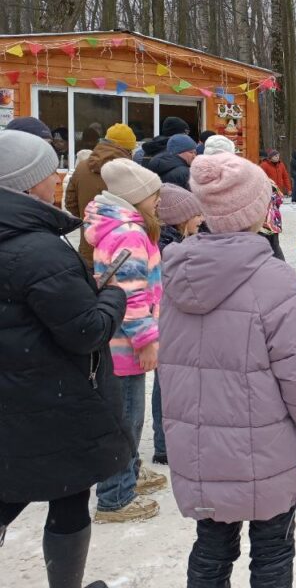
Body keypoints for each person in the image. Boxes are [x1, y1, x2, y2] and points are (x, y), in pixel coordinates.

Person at [159, 152, 296, 588]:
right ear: (258, 211)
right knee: (273, 550)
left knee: (211, 547)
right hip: (268, 450)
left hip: (202, 450)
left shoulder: (176, 276)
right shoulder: (274, 281)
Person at [0, 131, 131, 588]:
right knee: (69, 492)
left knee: (9, 486)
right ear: (27, 184)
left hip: (14, 391)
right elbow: (85, 331)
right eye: (48, 172)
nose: (57, 178)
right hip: (51, 395)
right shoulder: (38, 249)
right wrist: (113, 296)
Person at [83, 158, 167, 523]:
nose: (159, 200)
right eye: (154, 194)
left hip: (122, 341)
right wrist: (146, 340)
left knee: (128, 416)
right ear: (136, 196)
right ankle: (115, 496)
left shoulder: (125, 228)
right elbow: (129, 294)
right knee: (126, 419)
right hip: (126, 345)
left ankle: (128, 472)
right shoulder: (128, 235)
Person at [152, 184, 204, 467]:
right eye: (196, 214)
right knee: (168, 385)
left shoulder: (176, 242)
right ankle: (165, 445)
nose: (201, 219)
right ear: (181, 217)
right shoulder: (169, 248)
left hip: (170, 324)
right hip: (168, 325)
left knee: (169, 383)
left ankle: (167, 444)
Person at [65, 123, 138, 269]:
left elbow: (70, 203)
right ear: (128, 149)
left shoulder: (82, 167)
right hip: (120, 251)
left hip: (89, 246)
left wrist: (88, 217)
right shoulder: (131, 172)